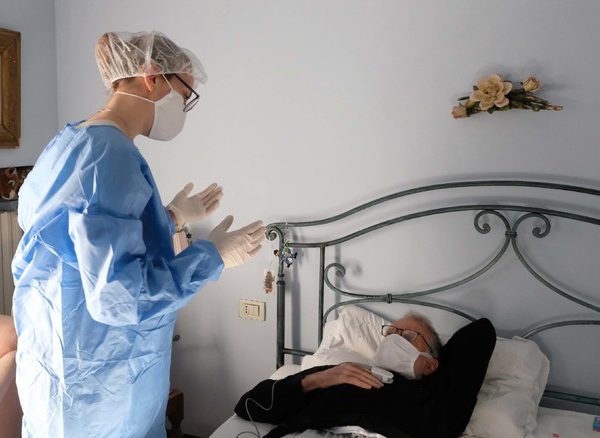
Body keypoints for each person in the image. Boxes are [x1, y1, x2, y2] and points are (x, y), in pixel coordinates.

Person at [11, 31, 265, 438]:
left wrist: (170, 216)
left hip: (53, 365)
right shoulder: (110, 156)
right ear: (152, 76)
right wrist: (210, 256)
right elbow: (121, 298)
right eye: (185, 94)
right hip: (99, 388)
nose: (184, 107)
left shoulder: (71, 142)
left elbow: (83, 239)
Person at [235, 313, 496, 438]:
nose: (393, 339)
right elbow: (249, 405)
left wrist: (432, 366)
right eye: (389, 334)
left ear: (432, 364)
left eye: (407, 337)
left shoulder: (437, 396)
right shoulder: (341, 372)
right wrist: (318, 380)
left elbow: (481, 332)